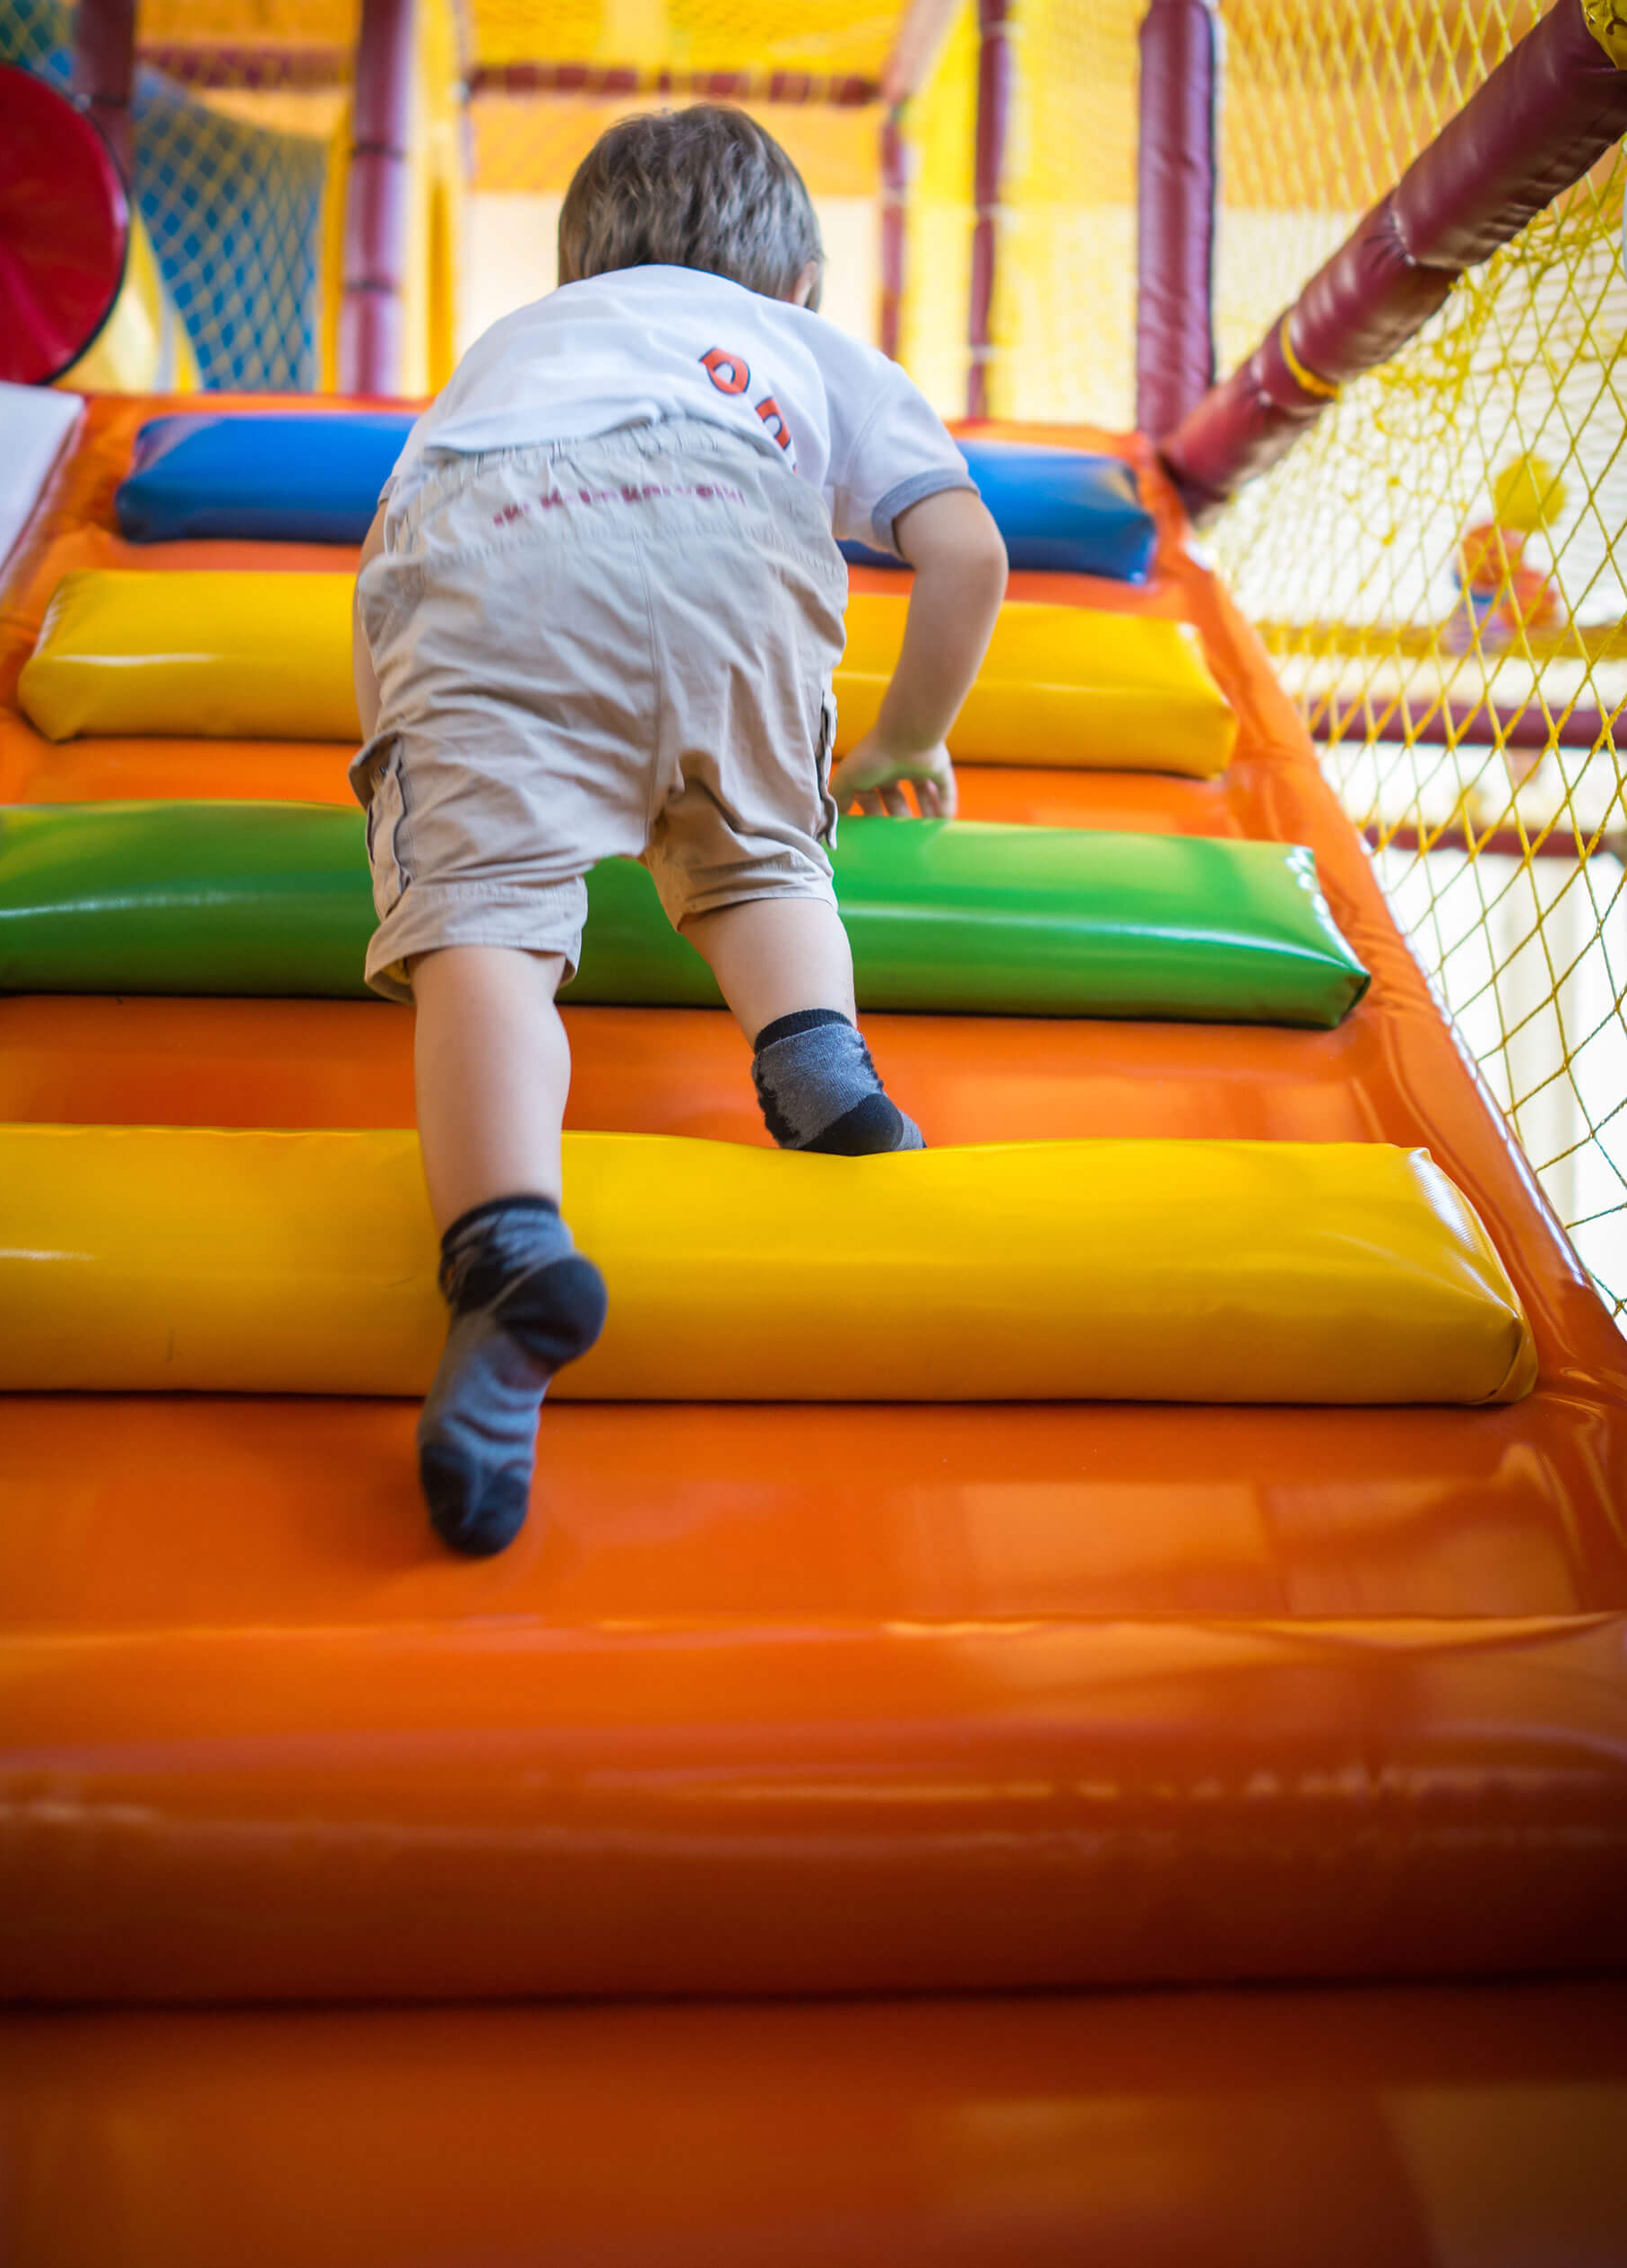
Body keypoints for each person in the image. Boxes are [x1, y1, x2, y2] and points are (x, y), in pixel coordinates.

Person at [350, 104, 1008, 1556]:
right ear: (791, 285)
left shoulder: (521, 339)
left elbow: (403, 527)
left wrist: (429, 769)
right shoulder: (817, 352)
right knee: (760, 841)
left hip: (491, 536)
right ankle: (812, 1053)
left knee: (487, 922)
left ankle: (508, 1242)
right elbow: (965, 547)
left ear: (584, 260)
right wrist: (903, 736)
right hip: (735, 542)